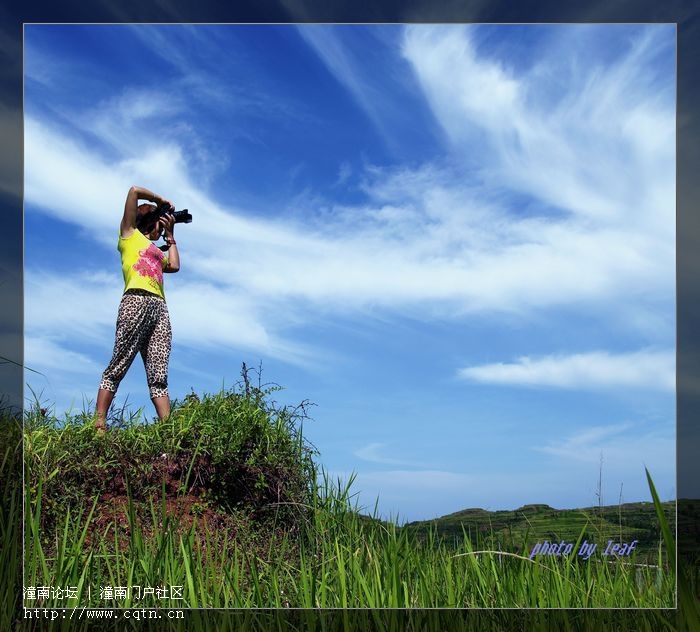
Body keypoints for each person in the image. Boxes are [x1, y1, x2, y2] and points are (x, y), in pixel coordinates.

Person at [94, 185, 181, 432]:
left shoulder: (155, 249)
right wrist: (161, 199)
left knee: (159, 373)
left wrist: (170, 236)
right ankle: (99, 426)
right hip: (136, 300)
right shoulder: (129, 235)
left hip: (159, 307)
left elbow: (174, 265)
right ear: (148, 221)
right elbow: (133, 191)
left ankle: (168, 432)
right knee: (119, 364)